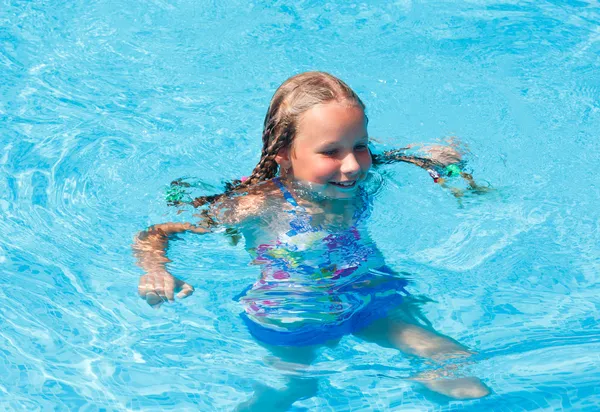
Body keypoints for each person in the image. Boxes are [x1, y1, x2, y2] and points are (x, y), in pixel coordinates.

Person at [134, 72, 490, 407]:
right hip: (293, 316)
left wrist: (444, 158)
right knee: (285, 387)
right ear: (285, 157)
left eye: (360, 146)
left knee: (458, 365)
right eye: (331, 151)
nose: (352, 165)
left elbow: (406, 157)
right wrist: (155, 270)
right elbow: (158, 231)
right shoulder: (258, 205)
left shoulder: (358, 178)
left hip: (367, 298)